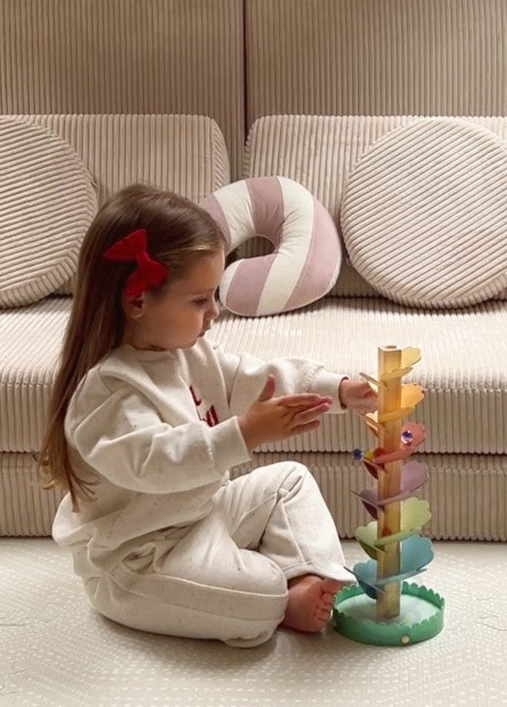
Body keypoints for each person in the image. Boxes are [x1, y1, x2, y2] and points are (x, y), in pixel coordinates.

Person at [37, 184, 377, 647]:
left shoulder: (188, 351)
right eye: (199, 300)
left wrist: (336, 389)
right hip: (140, 558)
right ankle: (280, 594)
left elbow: (255, 377)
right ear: (137, 302)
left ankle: (307, 574)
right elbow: (158, 462)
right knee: (258, 597)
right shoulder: (109, 391)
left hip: (203, 513)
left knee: (290, 479)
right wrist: (242, 434)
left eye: (214, 295)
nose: (215, 312)